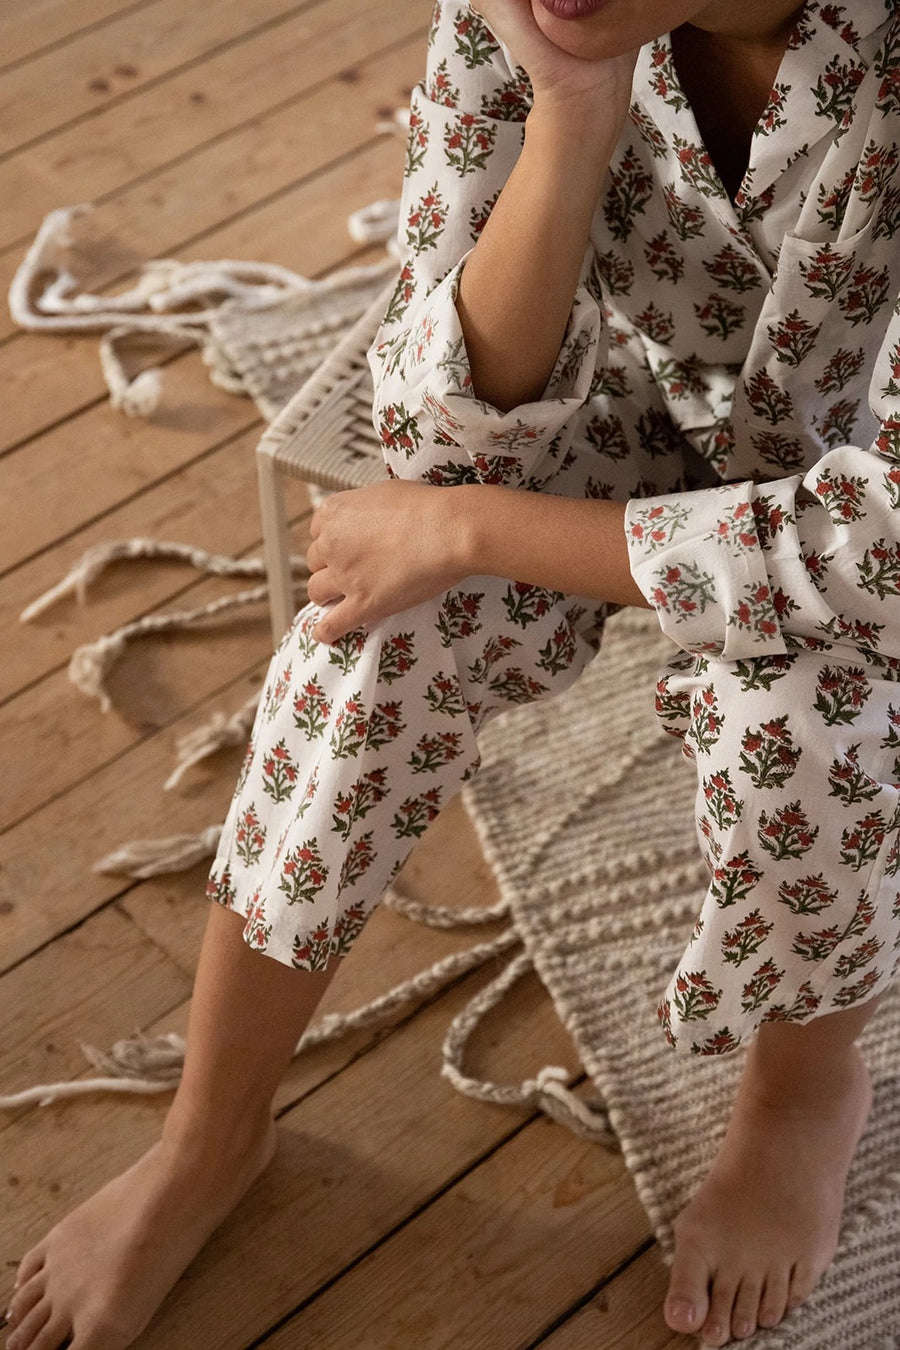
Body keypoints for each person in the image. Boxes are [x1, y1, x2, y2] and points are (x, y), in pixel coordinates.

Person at [6, 0, 900, 1346]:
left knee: (813, 714)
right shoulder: (536, 15)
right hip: (645, 409)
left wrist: (474, 530)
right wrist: (574, 118)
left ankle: (800, 1091)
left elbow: (878, 548)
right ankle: (210, 1133)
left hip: (856, 506)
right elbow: (438, 427)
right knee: (377, 633)